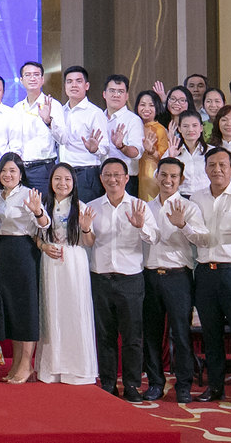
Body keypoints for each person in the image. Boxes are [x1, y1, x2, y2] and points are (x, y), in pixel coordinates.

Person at [175, 147, 231, 408]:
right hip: (205, 273)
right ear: (205, 169)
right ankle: (215, 387)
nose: (217, 170)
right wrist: (184, 226)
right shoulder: (196, 198)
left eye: (223, 165)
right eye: (212, 165)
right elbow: (195, 237)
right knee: (211, 334)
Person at [85, 157, 155, 400]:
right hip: (101, 277)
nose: (112, 179)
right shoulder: (91, 207)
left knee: (132, 336)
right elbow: (87, 243)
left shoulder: (139, 206)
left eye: (117, 175)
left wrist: (141, 226)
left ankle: (132, 385)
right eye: (107, 175)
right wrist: (85, 229)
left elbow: (153, 238)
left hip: (130, 279)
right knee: (105, 335)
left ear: (126, 178)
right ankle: (108, 384)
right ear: (101, 178)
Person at [141, 157, 196, 402]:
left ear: (181, 180)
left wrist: (183, 225)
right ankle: (155, 383)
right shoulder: (144, 208)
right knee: (151, 334)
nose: (168, 180)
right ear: (156, 176)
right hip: (150, 275)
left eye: (174, 176)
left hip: (178, 276)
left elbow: (201, 239)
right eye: (163, 175)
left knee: (181, 333)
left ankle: (183, 385)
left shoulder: (190, 208)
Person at [35, 161, 94, 385]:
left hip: (74, 262)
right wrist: (43, 246)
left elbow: (89, 242)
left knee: (75, 311)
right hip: (50, 262)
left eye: (67, 179)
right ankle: (52, 368)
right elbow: (35, 236)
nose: (62, 183)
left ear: (74, 183)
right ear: (51, 182)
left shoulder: (81, 206)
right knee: (52, 312)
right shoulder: (43, 205)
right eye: (58, 178)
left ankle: (77, 368)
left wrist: (86, 228)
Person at [0, 154, 45, 383]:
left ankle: (27, 364)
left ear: (21, 174)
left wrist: (38, 212)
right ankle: (16, 363)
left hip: (23, 250)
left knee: (26, 307)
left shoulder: (29, 194)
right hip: (1, 250)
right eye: (4, 170)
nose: (8, 175)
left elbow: (45, 224)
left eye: (12, 171)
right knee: (10, 307)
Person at [53, 67, 109, 199]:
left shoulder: (95, 113)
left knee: (86, 211)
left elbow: (105, 147)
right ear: (65, 86)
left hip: (86, 173)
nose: (73, 85)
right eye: (69, 81)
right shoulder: (60, 111)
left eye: (78, 81)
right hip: (64, 172)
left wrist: (95, 149)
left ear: (86, 86)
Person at [164, 111, 209, 199]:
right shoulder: (173, 150)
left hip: (206, 197)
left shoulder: (210, 151)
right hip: (180, 198)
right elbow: (157, 175)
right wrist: (171, 158)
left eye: (194, 125)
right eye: (185, 126)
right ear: (179, 129)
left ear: (201, 128)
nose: (190, 129)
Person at [133, 91, 168, 199]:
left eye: (151, 105)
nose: (146, 109)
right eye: (143, 105)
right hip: (133, 173)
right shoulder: (133, 125)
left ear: (157, 107)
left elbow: (164, 157)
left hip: (150, 175)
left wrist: (151, 151)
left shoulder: (159, 129)